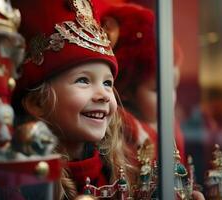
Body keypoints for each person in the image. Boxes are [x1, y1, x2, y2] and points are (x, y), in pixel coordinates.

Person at [11, 0, 139, 199]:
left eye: (107, 83)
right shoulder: (19, 184)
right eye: (83, 80)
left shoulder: (119, 172)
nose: (104, 95)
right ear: (37, 102)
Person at [101, 3, 186, 162]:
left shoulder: (170, 126)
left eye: (174, 86)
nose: (171, 98)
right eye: (157, 89)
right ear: (125, 91)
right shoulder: (121, 141)